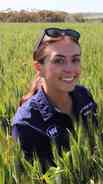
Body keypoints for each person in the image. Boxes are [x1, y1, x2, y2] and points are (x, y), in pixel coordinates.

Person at [12, 28, 98, 170]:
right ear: (39, 68)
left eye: (75, 59)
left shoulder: (84, 95)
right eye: (59, 61)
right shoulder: (26, 124)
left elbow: (96, 141)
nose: (69, 69)